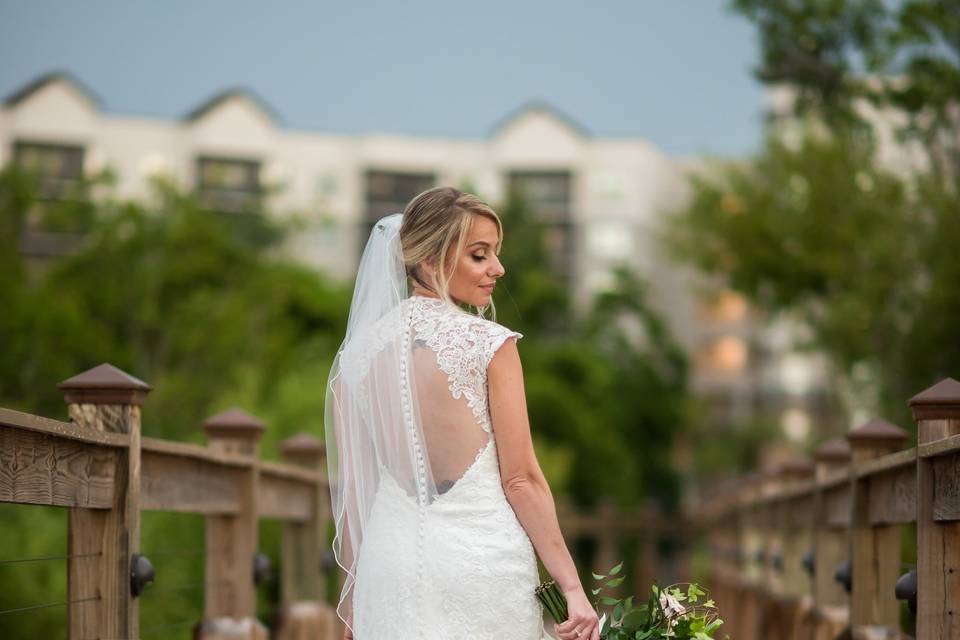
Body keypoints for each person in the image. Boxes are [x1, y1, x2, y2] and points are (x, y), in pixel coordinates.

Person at [324, 186, 600, 640]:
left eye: (495, 253)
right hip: (481, 564)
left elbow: (355, 492)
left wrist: (353, 601)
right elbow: (521, 480)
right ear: (431, 260)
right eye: (479, 255)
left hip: (387, 570)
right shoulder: (489, 344)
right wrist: (571, 587)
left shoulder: (354, 360)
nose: (498, 269)